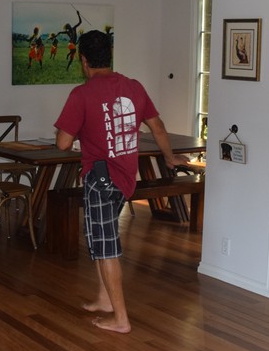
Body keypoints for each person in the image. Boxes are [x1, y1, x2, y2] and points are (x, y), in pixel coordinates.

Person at [54, 30, 180, 334]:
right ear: (109, 56)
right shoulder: (133, 87)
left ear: (83, 60)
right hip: (124, 178)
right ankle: (104, 299)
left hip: (100, 180)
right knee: (102, 240)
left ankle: (121, 318)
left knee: (106, 246)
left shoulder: (81, 94)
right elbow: (158, 126)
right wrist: (169, 158)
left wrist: (77, 130)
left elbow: (62, 143)